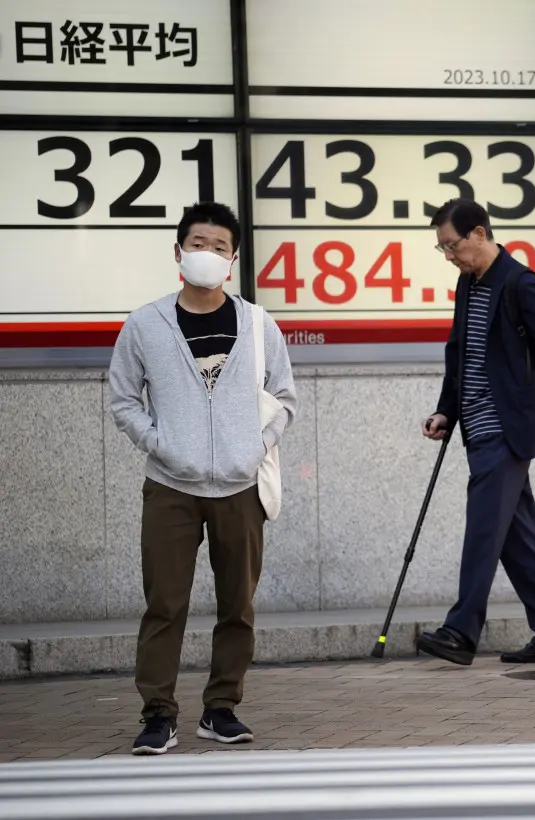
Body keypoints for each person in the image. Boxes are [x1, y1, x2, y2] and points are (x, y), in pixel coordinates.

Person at [108, 202, 297, 755]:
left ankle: (221, 709)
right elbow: (123, 398)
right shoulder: (146, 324)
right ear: (178, 253)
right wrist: (160, 443)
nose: (206, 255)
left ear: (233, 260)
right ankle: (158, 714)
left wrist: (254, 447)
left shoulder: (258, 324)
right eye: (197, 244)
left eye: (218, 247)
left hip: (240, 487)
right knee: (164, 603)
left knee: (237, 604)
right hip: (170, 486)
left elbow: (285, 398)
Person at [418, 199, 535, 667]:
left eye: (452, 246)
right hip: (477, 426)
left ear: (478, 234)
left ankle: (461, 631)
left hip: (507, 427)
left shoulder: (521, 285)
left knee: (483, 528)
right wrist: (445, 411)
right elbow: (458, 351)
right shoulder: (468, 284)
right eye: (443, 249)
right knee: (517, 538)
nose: (450, 256)